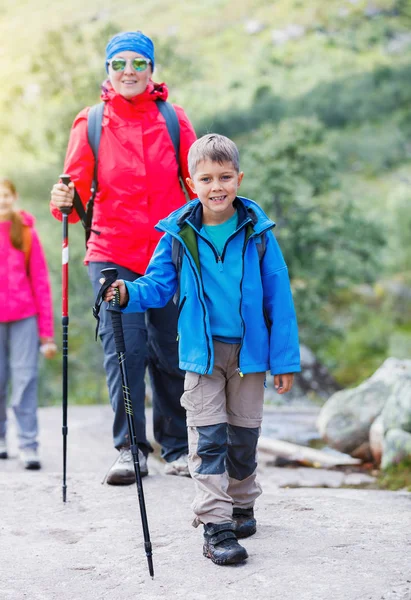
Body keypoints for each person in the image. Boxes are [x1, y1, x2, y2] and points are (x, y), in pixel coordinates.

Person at [101, 133, 301, 565]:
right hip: (202, 356)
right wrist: (126, 294)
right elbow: (157, 286)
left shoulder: (259, 234)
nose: (217, 186)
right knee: (209, 438)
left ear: (239, 178)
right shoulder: (178, 235)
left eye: (225, 177)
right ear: (191, 183)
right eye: (206, 178)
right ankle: (215, 525)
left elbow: (278, 300)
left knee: (243, 438)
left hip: (250, 356)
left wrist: (284, 360)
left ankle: (242, 502)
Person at [50, 31, 197, 485]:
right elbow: (72, 199)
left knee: (171, 350)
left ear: (152, 70)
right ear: (107, 71)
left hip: (168, 252)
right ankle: (130, 449)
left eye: (138, 63)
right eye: (119, 64)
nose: (129, 72)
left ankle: (176, 448)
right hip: (112, 252)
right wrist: (62, 198)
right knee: (125, 350)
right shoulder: (91, 122)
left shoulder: (173, 119)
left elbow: (199, 183)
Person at [0, 178, 57, 470]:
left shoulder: (24, 232)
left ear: (14, 197)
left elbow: (40, 283)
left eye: (5, 195)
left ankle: (28, 444)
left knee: (25, 380)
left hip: (24, 316)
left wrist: (46, 334)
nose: (2, 200)